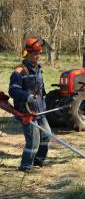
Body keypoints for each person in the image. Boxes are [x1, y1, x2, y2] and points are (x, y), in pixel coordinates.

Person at [9, 38, 51, 172]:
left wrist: (44, 102)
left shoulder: (39, 69)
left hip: (40, 110)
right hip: (27, 111)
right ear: (27, 53)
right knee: (33, 140)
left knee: (46, 135)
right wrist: (27, 97)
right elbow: (13, 90)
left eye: (39, 53)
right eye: (34, 54)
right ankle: (26, 166)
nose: (37, 56)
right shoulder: (19, 71)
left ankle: (38, 161)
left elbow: (41, 89)